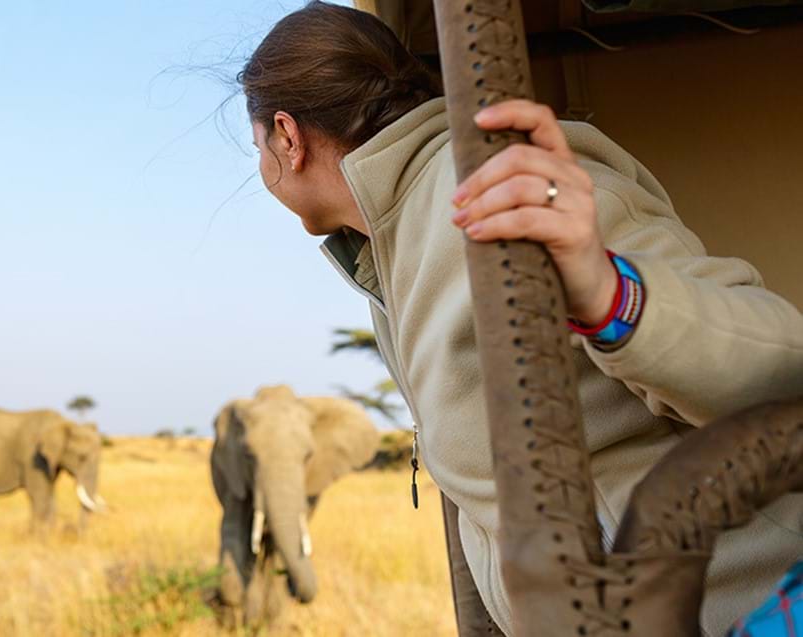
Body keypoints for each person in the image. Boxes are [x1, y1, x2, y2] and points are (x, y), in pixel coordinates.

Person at [236, 2, 803, 635]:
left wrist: (612, 293)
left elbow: (781, 364)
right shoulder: (391, 251)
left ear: (286, 136)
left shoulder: (506, 188)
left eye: (255, 142)